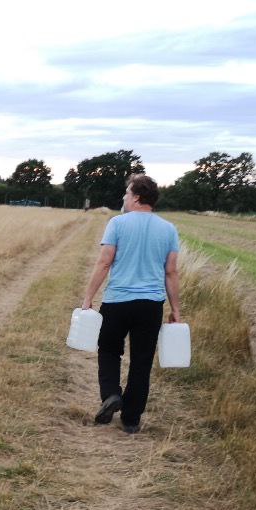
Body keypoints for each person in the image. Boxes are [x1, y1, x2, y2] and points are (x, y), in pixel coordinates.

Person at [79, 174, 181, 434]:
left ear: (136, 197)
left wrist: (89, 296)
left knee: (109, 350)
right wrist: (176, 310)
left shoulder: (117, 223)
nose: (123, 197)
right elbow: (171, 272)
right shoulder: (168, 229)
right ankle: (132, 419)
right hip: (151, 305)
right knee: (142, 361)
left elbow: (104, 262)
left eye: (126, 193)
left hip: (117, 302)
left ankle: (112, 394)